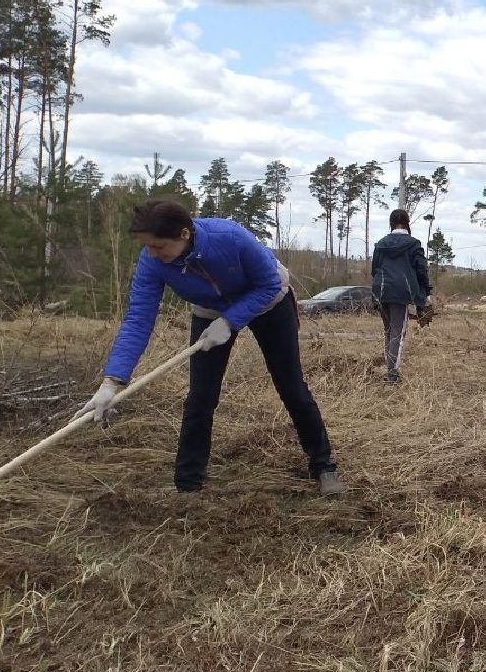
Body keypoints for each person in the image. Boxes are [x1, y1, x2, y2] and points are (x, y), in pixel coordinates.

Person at [77, 199, 344, 495]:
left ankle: (324, 466)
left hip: (268, 301)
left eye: (159, 246)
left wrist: (230, 321)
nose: (152, 254)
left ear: (184, 234)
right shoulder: (153, 261)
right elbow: (139, 319)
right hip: (210, 310)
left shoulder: (230, 237)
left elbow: (269, 284)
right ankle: (188, 485)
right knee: (200, 397)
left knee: (291, 386)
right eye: (148, 246)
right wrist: (112, 381)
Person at [371, 209, 432, 384]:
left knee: (389, 332)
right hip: (401, 293)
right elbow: (422, 270)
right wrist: (426, 294)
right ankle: (392, 375)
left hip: (381, 291)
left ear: (391, 223)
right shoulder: (414, 244)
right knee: (398, 333)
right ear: (407, 223)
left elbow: (374, 270)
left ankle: (390, 370)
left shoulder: (380, 244)